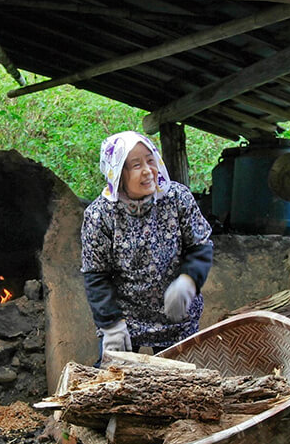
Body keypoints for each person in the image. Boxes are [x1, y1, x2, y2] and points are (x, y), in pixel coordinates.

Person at [81, 131, 214, 358]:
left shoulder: (177, 198)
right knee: (113, 382)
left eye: (150, 160)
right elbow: (96, 275)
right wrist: (111, 324)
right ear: (117, 175)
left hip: (176, 317)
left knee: (181, 385)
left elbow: (200, 246)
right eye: (136, 165)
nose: (148, 171)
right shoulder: (99, 215)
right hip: (125, 319)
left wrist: (188, 281)